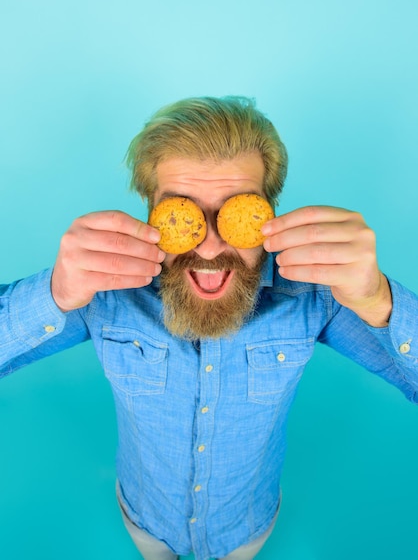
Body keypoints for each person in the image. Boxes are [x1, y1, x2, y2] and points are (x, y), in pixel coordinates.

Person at [1, 96, 417, 560]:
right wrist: (53, 292)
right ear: (149, 211)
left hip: (248, 532)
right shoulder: (101, 292)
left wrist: (380, 299)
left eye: (238, 211)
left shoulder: (316, 296)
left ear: (269, 214)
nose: (210, 245)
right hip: (144, 524)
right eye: (183, 211)